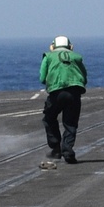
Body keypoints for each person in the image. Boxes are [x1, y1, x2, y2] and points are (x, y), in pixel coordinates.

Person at [40, 35, 87, 164]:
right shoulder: (77, 57)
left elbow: (42, 77)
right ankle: (68, 151)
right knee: (70, 123)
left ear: (53, 46)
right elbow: (84, 75)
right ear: (70, 47)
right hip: (74, 93)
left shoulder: (48, 56)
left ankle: (56, 149)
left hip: (56, 93)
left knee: (49, 118)